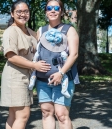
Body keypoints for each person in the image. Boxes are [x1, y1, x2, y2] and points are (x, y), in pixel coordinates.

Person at [0, 1, 50, 129]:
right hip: (15, 76)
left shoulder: (31, 32)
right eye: (19, 12)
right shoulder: (11, 31)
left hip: (26, 76)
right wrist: (34, 65)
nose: (23, 14)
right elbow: (11, 56)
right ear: (12, 14)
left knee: (13, 116)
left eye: (26, 11)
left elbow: (45, 42)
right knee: (23, 115)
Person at [35, 0, 80, 129]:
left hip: (63, 79)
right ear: (46, 11)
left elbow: (74, 54)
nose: (52, 10)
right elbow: (36, 52)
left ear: (61, 11)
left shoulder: (69, 30)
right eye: (49, 8)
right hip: (42, 80)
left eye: (56, 7)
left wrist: (61, 73)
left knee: (62, 115)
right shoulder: (41, 30)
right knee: (46, 113)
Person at [28, 28, 70, 98]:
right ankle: (64, 89)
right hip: (45, 74)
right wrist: (34, 63)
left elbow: (37, 54)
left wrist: (34, 62)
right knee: (65, 78)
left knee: (64, 77)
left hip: (57, 72)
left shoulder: (42, 45)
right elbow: (64, 56)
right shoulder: (41, 43)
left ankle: (64, 90)